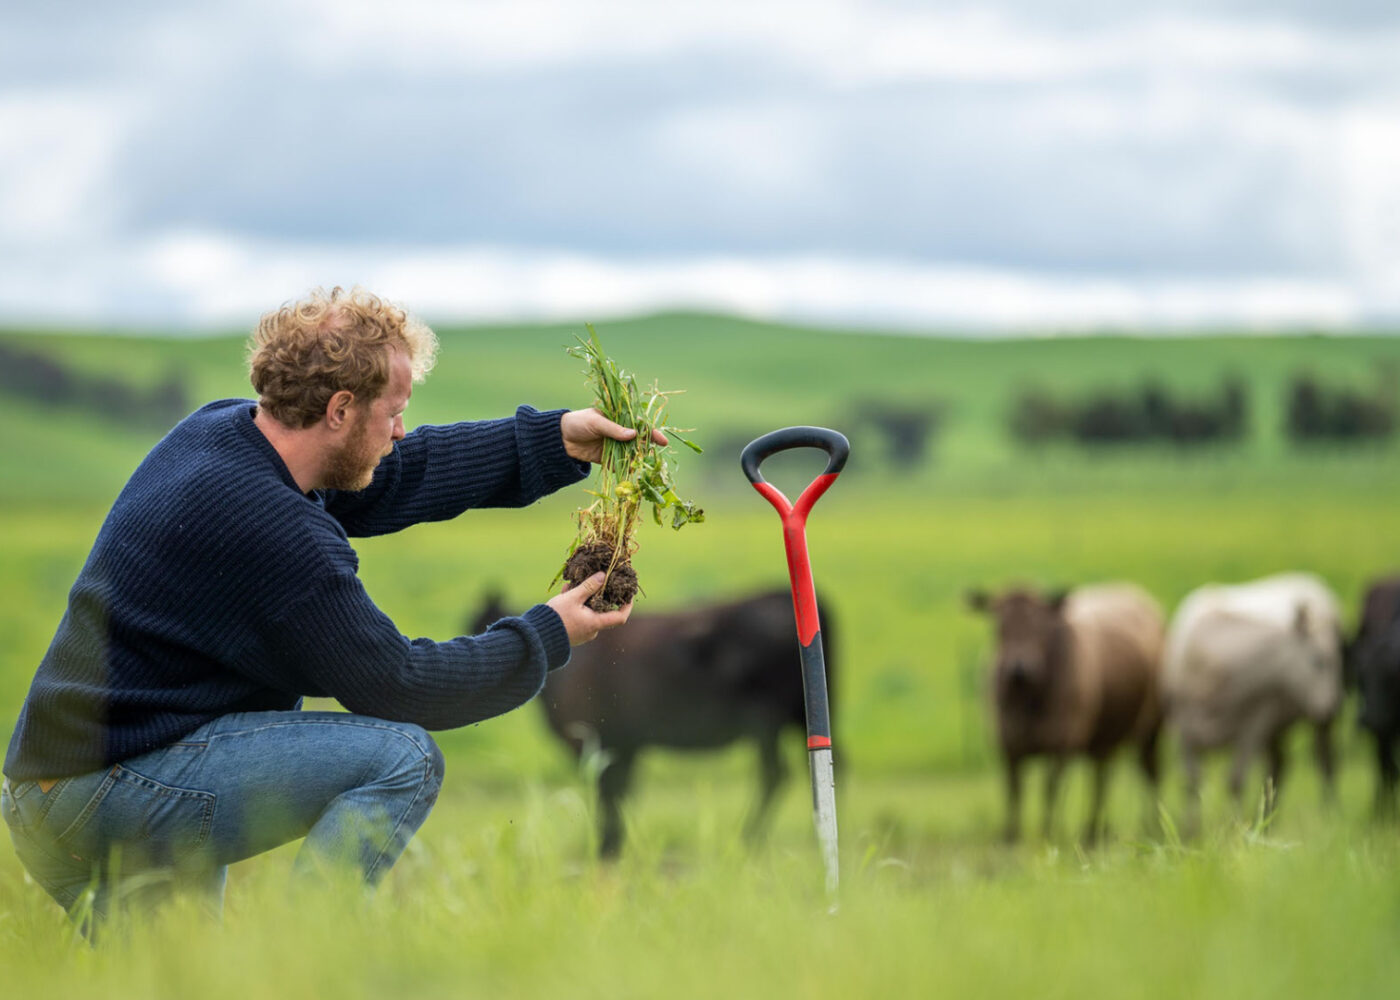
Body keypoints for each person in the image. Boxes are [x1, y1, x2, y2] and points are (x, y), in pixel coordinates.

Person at [0, 286, 652, 930]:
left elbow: (390, 474)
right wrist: (548, 633)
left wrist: (552, 440)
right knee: (403, 758)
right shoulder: (274, 530)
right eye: (392, 411)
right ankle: (308, 957)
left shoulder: (225, 435)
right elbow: (403, 686)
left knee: (179, 981)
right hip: (110, 791)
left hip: (58, 788)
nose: (401, 429)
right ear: (340, 409)